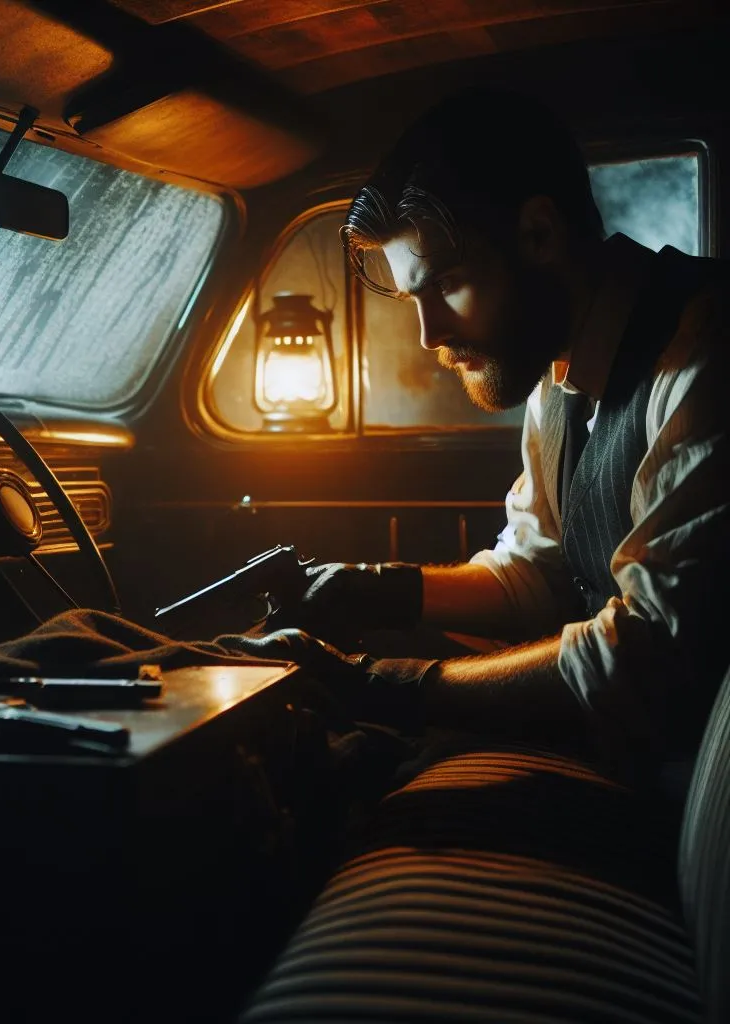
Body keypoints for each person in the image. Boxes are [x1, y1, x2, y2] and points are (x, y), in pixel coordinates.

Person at [255, 87, 730, 789]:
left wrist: (386, 683)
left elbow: (648, 659)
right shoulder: (555, 366)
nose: (428, 335)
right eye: (415, 298)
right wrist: (377, 590)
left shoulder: (703, 352)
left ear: (538, 234)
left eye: (446, 284)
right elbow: (537, 574)